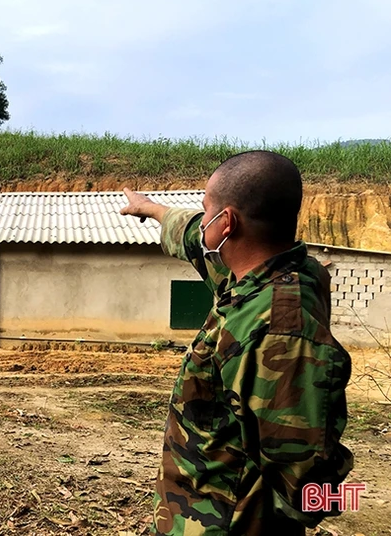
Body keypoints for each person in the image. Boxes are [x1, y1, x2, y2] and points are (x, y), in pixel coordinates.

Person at [119, 151, 353, 535]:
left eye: (207, 208)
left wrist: (352, 498)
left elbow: (307, 486)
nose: (202, 216)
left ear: (226, 223)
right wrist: (150, 209)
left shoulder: (278, 331)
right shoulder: (271, 271)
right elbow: (191, 232)